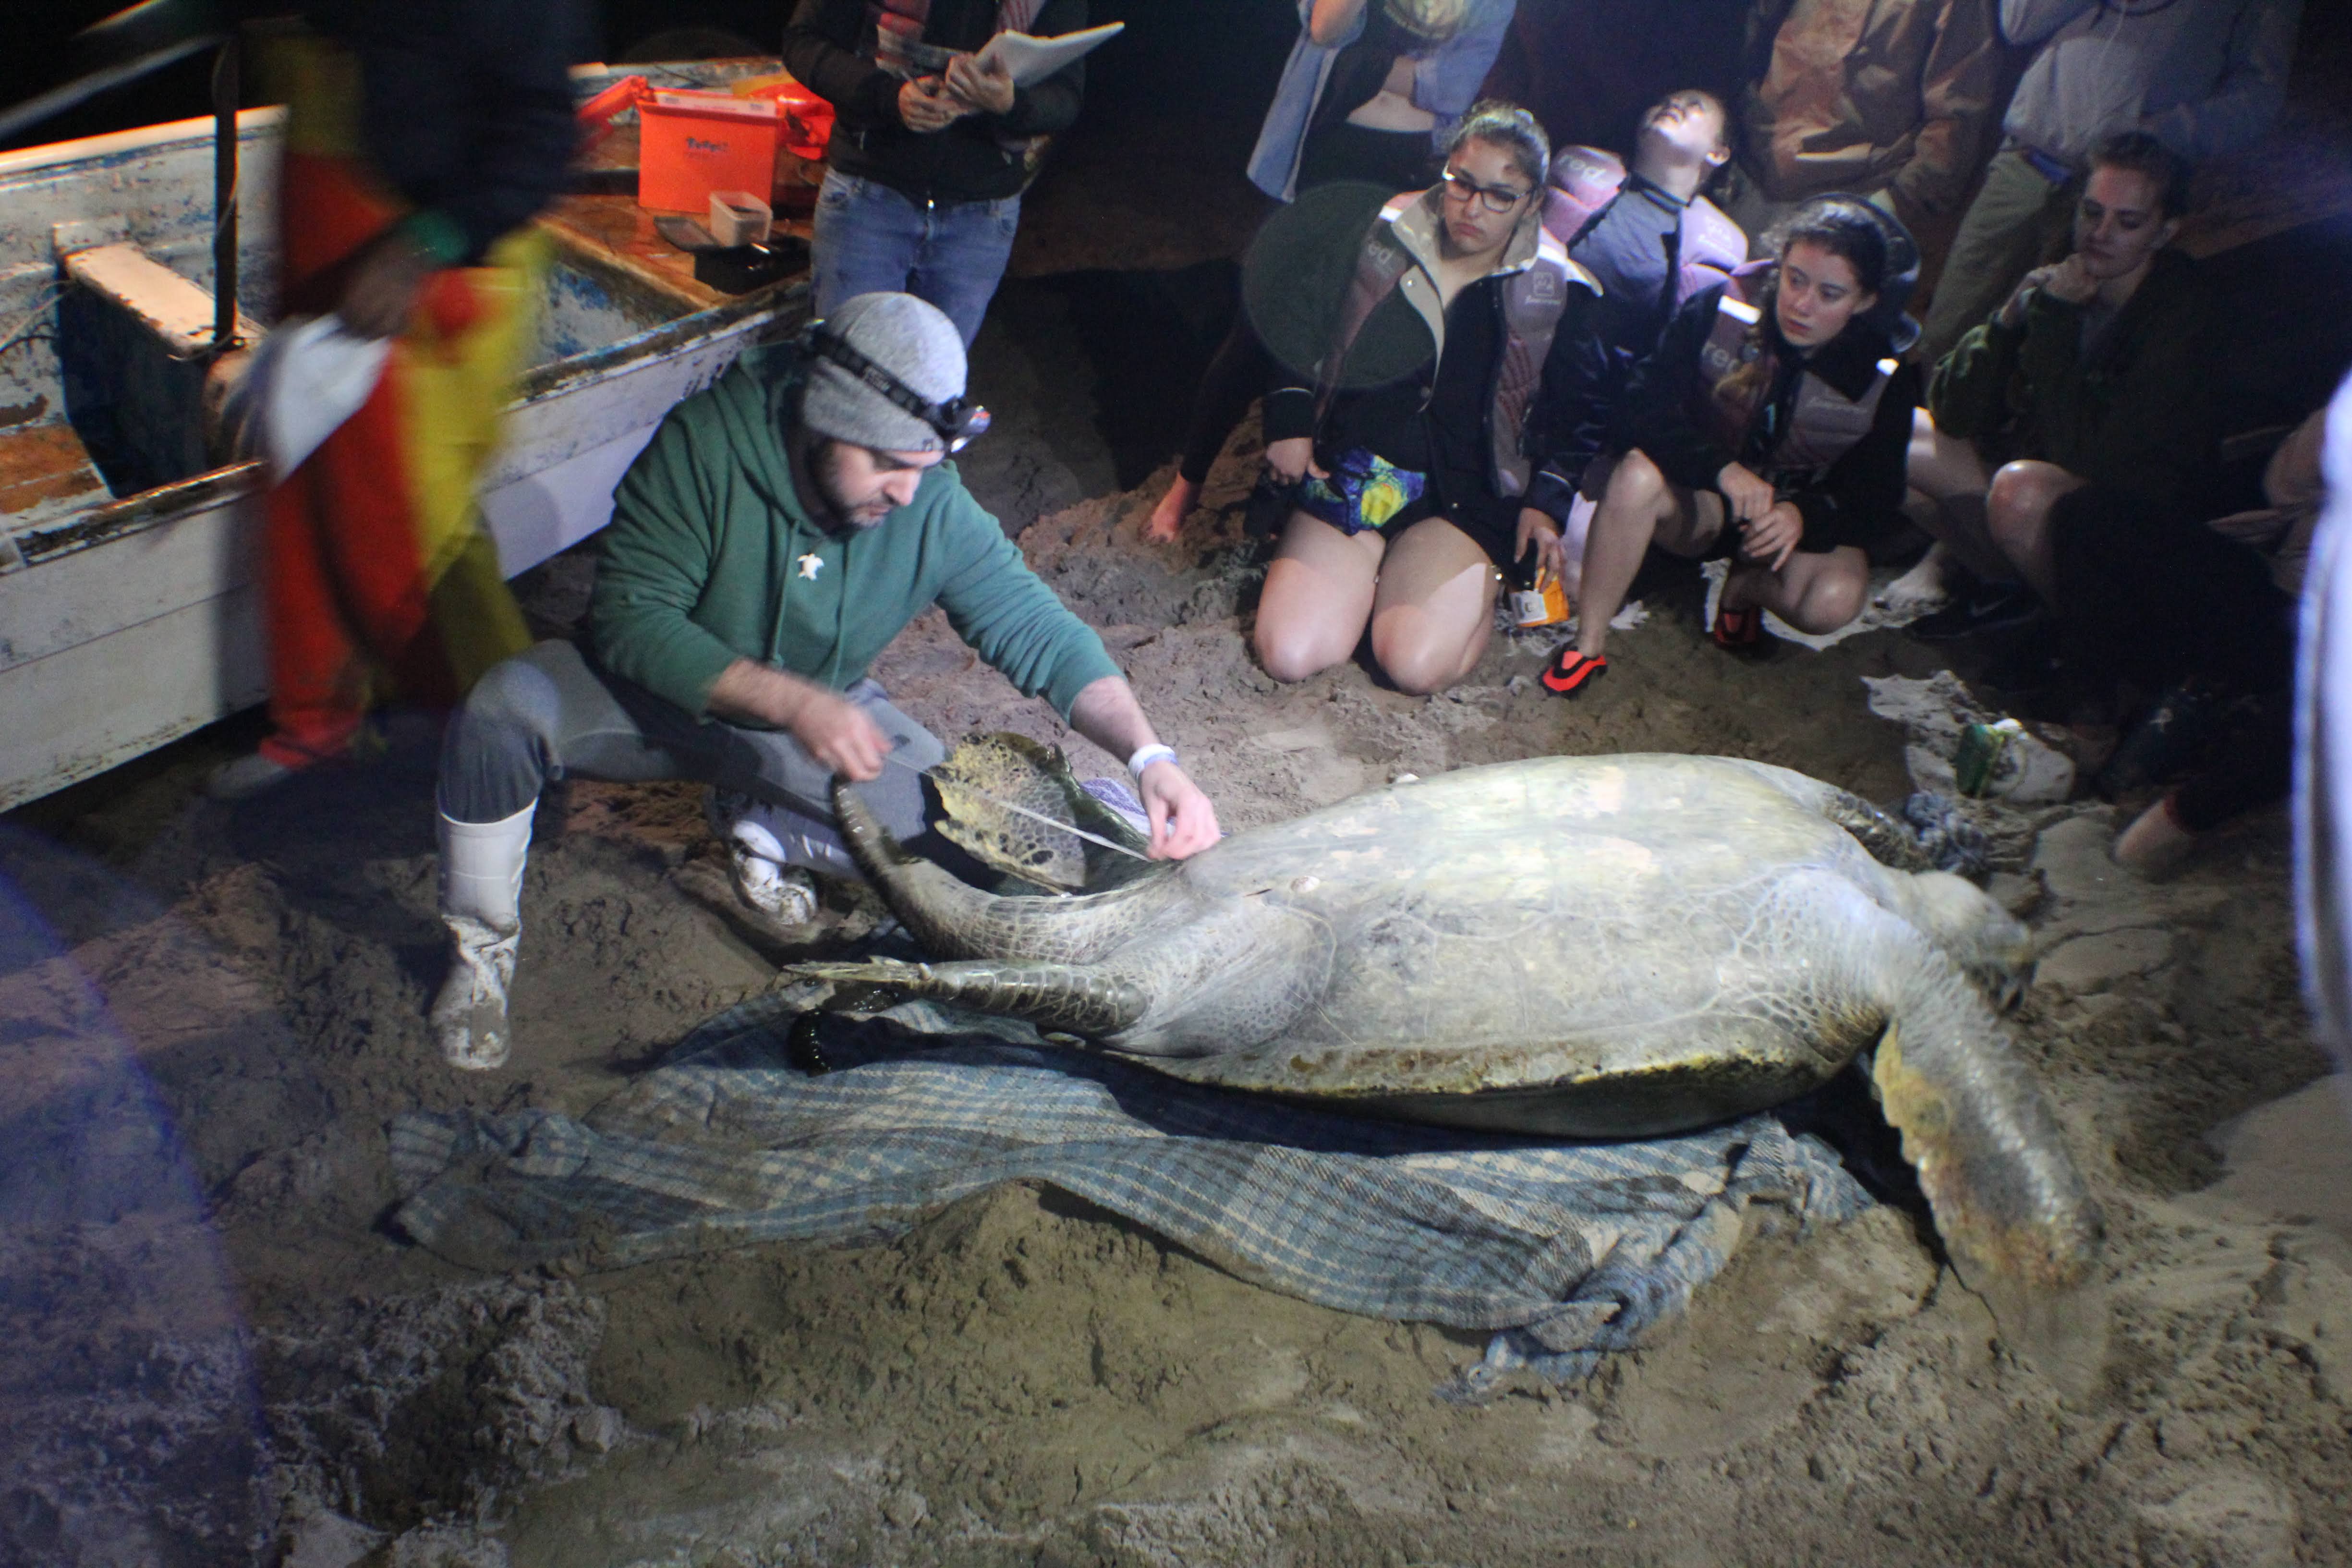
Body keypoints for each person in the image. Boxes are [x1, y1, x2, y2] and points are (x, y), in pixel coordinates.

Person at [426, 293, 1221, 1070]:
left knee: (980, 857)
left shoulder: (925, 500)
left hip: (817, 716)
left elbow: (1037, 631)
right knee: (504, 709)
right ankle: (480, 950)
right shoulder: (707, 446)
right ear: (821, 422)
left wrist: (1150, 758)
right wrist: (792, 701)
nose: (906, 492)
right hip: (655, 701)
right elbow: (633, 622)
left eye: (923, 465)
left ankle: (762, 826)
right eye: (884, 463)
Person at [206, 0, 589, 799]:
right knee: (304, 507)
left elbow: (541, 139)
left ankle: (508, 747)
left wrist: (430, 243)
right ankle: (322, 725)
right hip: (326, 253)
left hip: (438, 261)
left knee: (419, 529)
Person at [1249, 103, 1606, 696]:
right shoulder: (1379, 232)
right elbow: (1296, 319)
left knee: (1414, 667)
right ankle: (1366, 579)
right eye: (1462, 184)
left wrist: (1545, 501)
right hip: (1355, 468)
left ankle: (1456, 591)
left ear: (1533, 201)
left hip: (1462, 498)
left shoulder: (1559, 287)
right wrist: (1288, 419)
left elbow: (1577, 414)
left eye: (1500, 195)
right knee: (1288, 654)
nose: (1473, 208)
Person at [1147, 0, 1516, 541]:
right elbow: (1326, 28)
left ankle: (1289, 496)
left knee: (1352, 326)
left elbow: (1452, 87)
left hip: (1410, 163)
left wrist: (1364, 63)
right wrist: (1380, 67)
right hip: (1329, 148)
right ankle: (1187, 484)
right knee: (1257, 328)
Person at [1549, 195, 1922, 697]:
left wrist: (1803, 516)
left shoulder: (1883, 375)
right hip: (1699, 505)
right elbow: (1636, 408)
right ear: (1778, 264)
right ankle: (1586, 646)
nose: (1801, 304)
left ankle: (1743, 590)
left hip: (1780, 531)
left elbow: (1877, 497)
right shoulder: (1719, 308)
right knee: (1635, 475)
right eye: (1794, 279)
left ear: (1863, 301)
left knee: (1832, 600)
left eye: (1829, 293)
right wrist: (1719, 469)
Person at [1899, 132, 2211, 637]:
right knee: (1896, 431)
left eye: (2126, 222)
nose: (2100, 233)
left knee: (2019, 491)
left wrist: (2054, 327)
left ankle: (2084, 632)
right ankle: (2003, 593)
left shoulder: (2177, 318)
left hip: (2119, 529)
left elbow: (2087, 458)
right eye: (2091, 212)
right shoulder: (2063, 274)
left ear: (2163, 231)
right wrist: (2003, 324)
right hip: (2037, 494)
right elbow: (1952, 411)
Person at [1915, 0, 2302, 363]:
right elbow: (2018, 22)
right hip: (2028, 167)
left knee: (2055, 358)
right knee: (1948, 334)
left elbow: (2256, 101)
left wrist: (2150, 135)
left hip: (2127, 198)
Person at [2072, 406, 2326, 877]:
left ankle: (2180, 819)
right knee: (2088, 515)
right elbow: (2281, 486)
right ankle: (2102, 724)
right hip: (2284, 599)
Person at [782, 0, 1090, 347]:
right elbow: (803, 42)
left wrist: (1010, 102)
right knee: (844, 377)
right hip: (868, 196)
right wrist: (889, 96)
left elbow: (1065, 97)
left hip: (979, 217)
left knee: (932, 389)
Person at [1724, 0, 2008, 278]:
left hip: (1854, 194)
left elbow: (1956, 114)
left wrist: (1892, 205)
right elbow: (1750, 32)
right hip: (1755, 167)